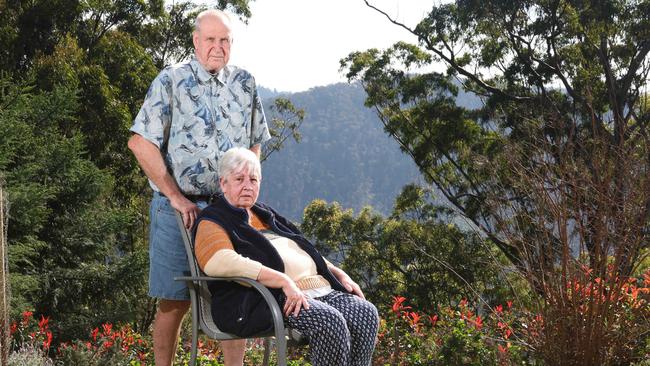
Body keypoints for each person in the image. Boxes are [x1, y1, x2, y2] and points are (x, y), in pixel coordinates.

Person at [127, 9, 270, 366]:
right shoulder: (170, 80)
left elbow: (255, 144)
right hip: (178, 210)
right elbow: (139, 143)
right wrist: (175, 196)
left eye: (225, 41)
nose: (218, 47)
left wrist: (247, 191)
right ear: (195, 41)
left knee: (237, 289)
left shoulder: (245, 84)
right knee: (174, 300)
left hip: (229, 211)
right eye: (210, 39)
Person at [194, 147, 379, 366]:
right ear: (223, 183)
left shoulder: (264, 213)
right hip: (272, 298)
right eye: (239, 179)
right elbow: (219, 261)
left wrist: (338, 273)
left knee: (366, 313)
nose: (247, 186)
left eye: (253, 180)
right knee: (330, 322)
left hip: (316, 289)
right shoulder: (214, 219)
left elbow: (302, 247)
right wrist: (283, 280)